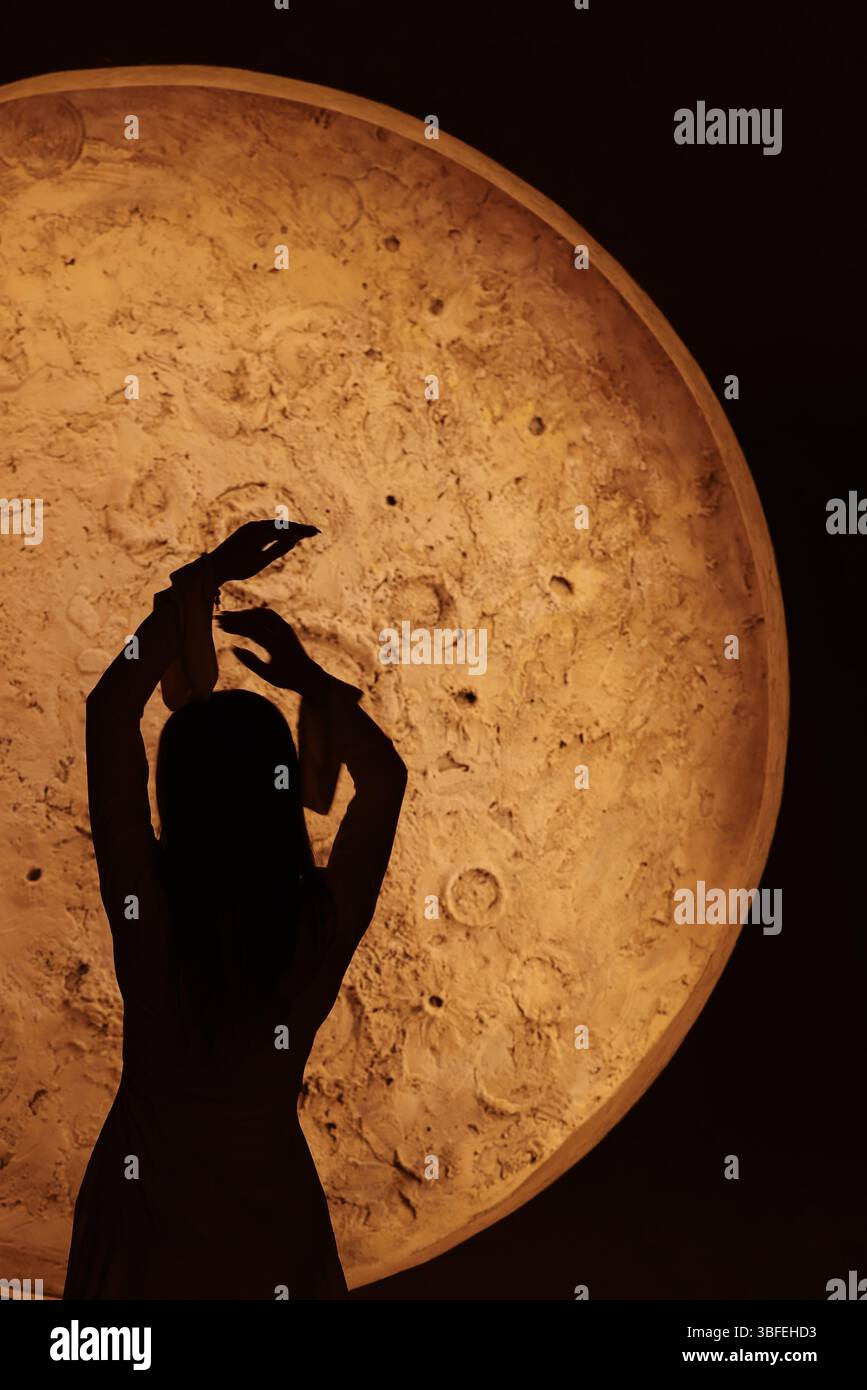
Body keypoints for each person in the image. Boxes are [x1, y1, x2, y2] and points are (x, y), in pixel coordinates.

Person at [63, 520, 408, 1300]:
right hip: (269, 1198)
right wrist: (305, 678)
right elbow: (382, 779)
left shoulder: (147, 906)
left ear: (173, 795)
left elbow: (109, 710)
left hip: (144, 1192)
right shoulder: (317, 923)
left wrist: (200, 581)